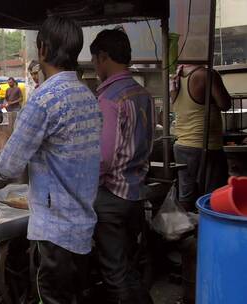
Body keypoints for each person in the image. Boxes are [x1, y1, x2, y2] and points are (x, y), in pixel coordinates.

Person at [0, 16, 102, 303]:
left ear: (44, 51)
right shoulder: (88, 97)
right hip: (83, 230)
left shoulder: (43, 101)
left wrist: (4, 143)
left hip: (54, 235)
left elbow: (7, 167)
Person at [90, 29, 155, 304]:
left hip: (111, 197)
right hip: (136, 193)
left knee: (115, 274)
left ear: (103, 57)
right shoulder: (143, 94)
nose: (95, 67)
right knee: (127, 267)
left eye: (94, 61)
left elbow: (102, 158)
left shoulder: (109, 99)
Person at [171, 64, 231, 210]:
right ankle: (207, 230)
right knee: (214, 198)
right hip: (206, 146)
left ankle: (186, 229)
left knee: (186, 197)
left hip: (182, 145)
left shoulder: (176, 76)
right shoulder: (207, 74)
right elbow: (225, 104)